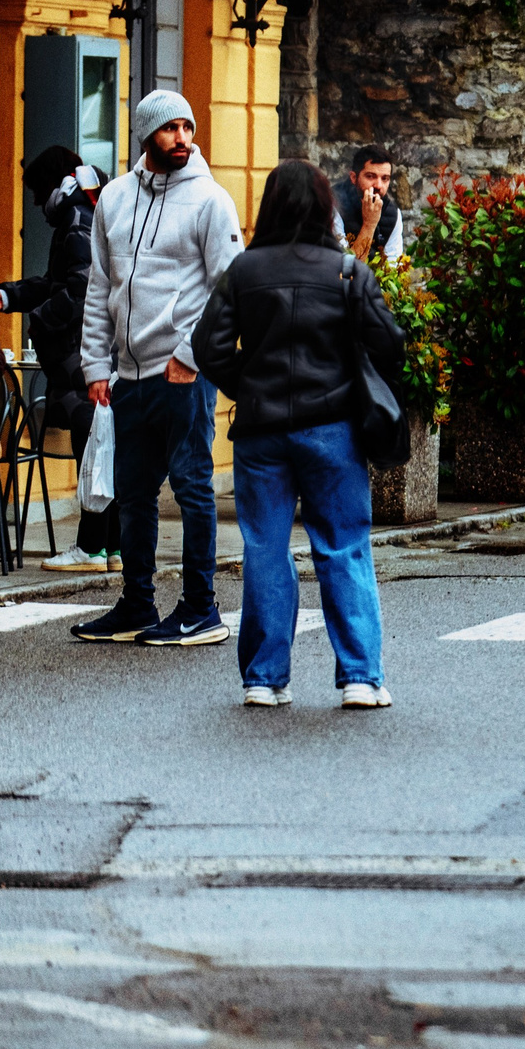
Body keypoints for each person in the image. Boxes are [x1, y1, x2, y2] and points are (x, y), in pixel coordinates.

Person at [191, 160, 405, 708]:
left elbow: (207, 347)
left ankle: (264, 679)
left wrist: (251, 385)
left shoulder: (244, 271)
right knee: (343, 547)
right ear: (325, 207)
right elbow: (390, 344)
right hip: (332, 427)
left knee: (265, 549)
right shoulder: (347, 273)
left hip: (261, 432)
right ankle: (360, 676)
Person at [71, 90, 243, 646]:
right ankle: (137, 605)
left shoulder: (212, 201)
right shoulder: (115, 199)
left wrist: (191, 356)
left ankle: (200, 608)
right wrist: (97, 363)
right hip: (127, 375)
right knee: (134, 492)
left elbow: (230, 289)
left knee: (192, 487)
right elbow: (100, 288)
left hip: (184, 375)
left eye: (188, 128)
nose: (183, 138)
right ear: (146, 135)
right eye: (170, 129)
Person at [0, 147, 113, 569]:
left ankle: (92, 547)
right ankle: (111, 546)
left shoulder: (75, 221)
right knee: (101, 449)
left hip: (78, 355)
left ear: (55, 185)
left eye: (38, 195)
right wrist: (9, 295)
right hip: (89, 353)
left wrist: (37, 320)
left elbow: (77, 292)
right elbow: (59, 283)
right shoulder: (89, 208)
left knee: (90, 448)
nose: (38, 206)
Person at [335, 146, 404, 262]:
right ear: (353, 177)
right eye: (370, 176)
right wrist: (369, 224)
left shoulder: (392, 213)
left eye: (385, 178)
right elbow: (344, 268)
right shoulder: (334, 205)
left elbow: (393, 265)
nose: (378, 185)